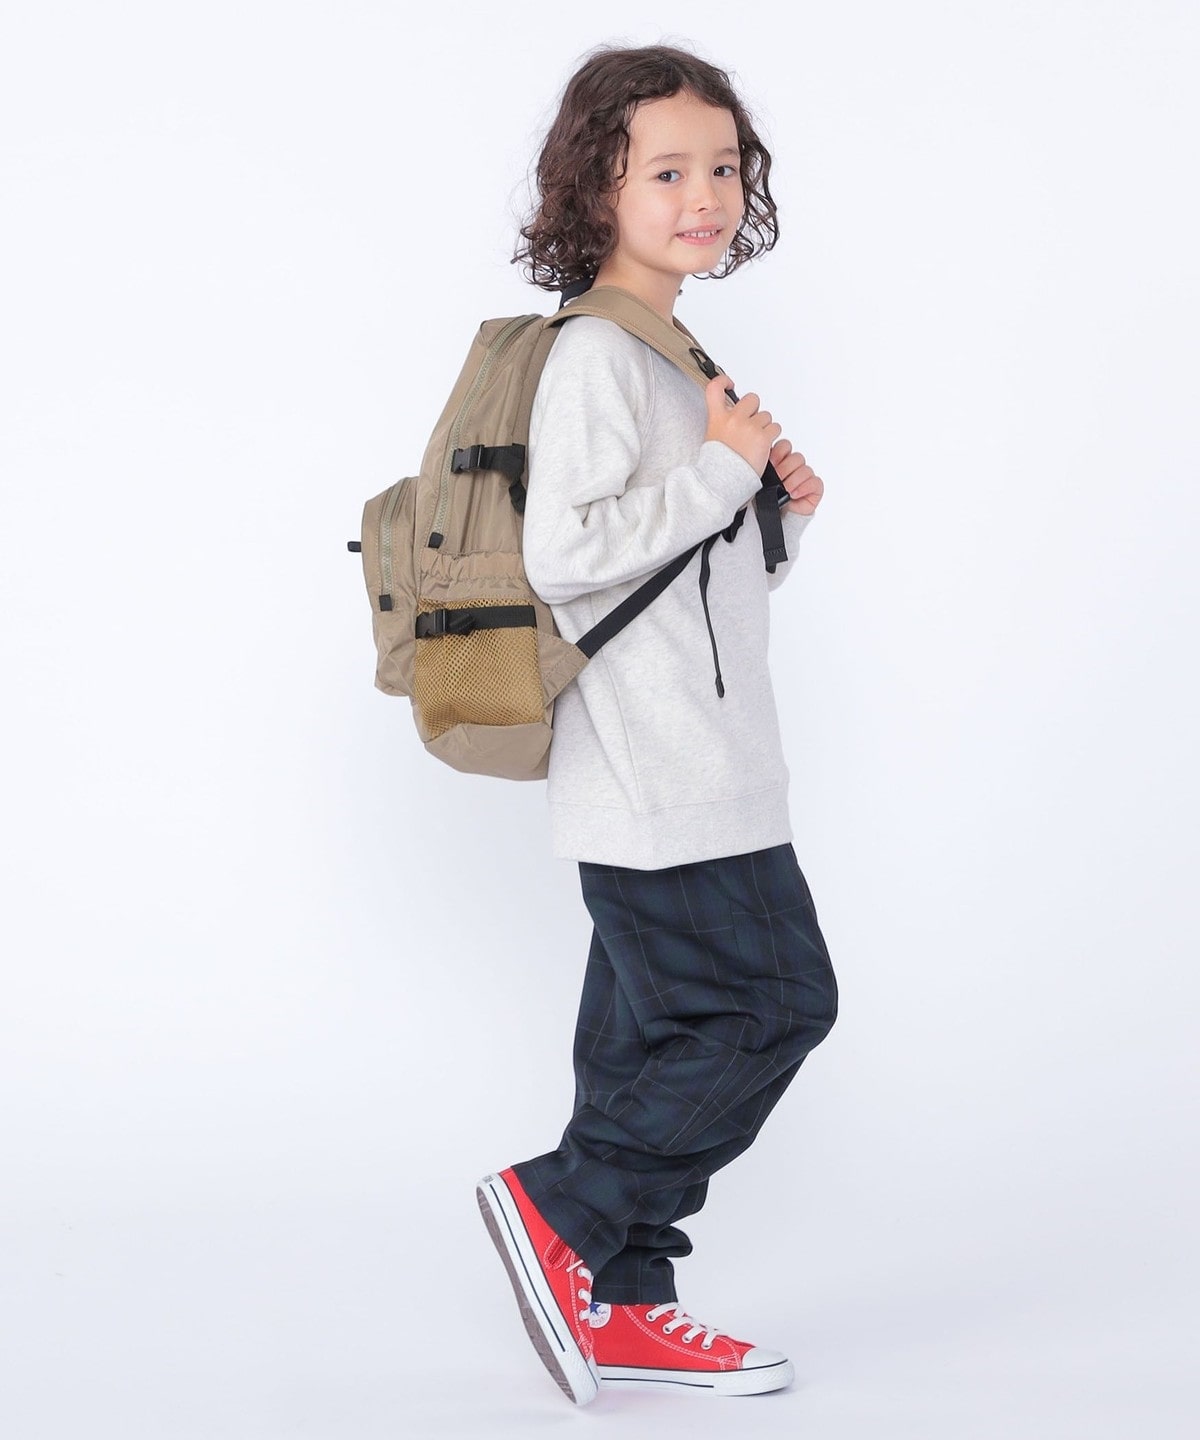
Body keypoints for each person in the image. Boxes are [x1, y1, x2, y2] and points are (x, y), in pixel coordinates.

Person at [475, 42, 839, 1406]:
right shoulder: (595, 354)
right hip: (657, 769)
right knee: (775, 1006)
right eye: (669, 171)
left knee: (643, 1040)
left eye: (724, 168)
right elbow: (566, 558)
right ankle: (560, 1208)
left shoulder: (677, 353)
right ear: (598, 186)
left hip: (708, 756)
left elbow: (690, 587)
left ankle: (628, 1302)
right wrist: (720, 475)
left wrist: (776, 515)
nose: (706, 196)